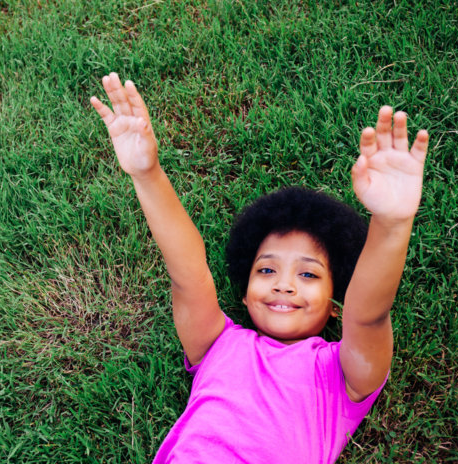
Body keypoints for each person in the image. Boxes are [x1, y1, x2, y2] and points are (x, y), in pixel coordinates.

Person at [90, 72, 429, 463]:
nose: (284, 285)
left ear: (338, 305)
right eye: (266, 270)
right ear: (246, 292)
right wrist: (147, 175)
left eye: (308, 274)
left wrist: (392, 223)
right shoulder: (218, 344)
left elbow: (368, 314)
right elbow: (187, 272)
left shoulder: (337, 373)